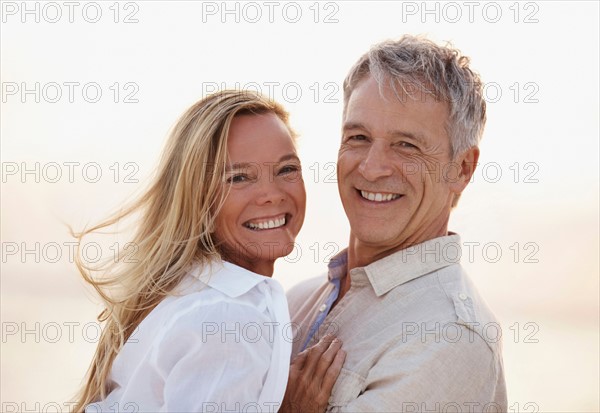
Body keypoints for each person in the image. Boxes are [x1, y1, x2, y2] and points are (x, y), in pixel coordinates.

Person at [71, 90, 345, 412]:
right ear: (197, 197)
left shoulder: (187, 292)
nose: (271, 194)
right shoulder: (228, 319)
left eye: (286, 169)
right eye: (239, 177)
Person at [285, 35, 507, 411]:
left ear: (462, 168)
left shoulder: (449, 337)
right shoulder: (294, 301)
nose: (372, 167)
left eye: (407, 146)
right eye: (358, 137)